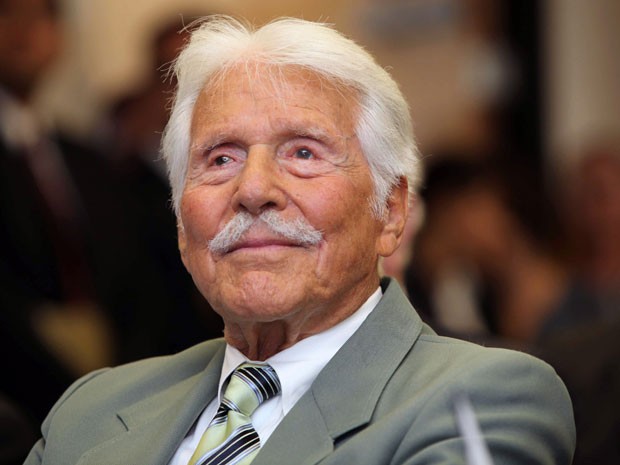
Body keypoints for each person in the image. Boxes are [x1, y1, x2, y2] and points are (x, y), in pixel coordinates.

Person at [25, 16, 575, 465]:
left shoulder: (480, 399)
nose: (253, 190)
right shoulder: (89, 411)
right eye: (221, 158)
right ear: (180, 222)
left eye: (303, 153)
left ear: (391, 211)